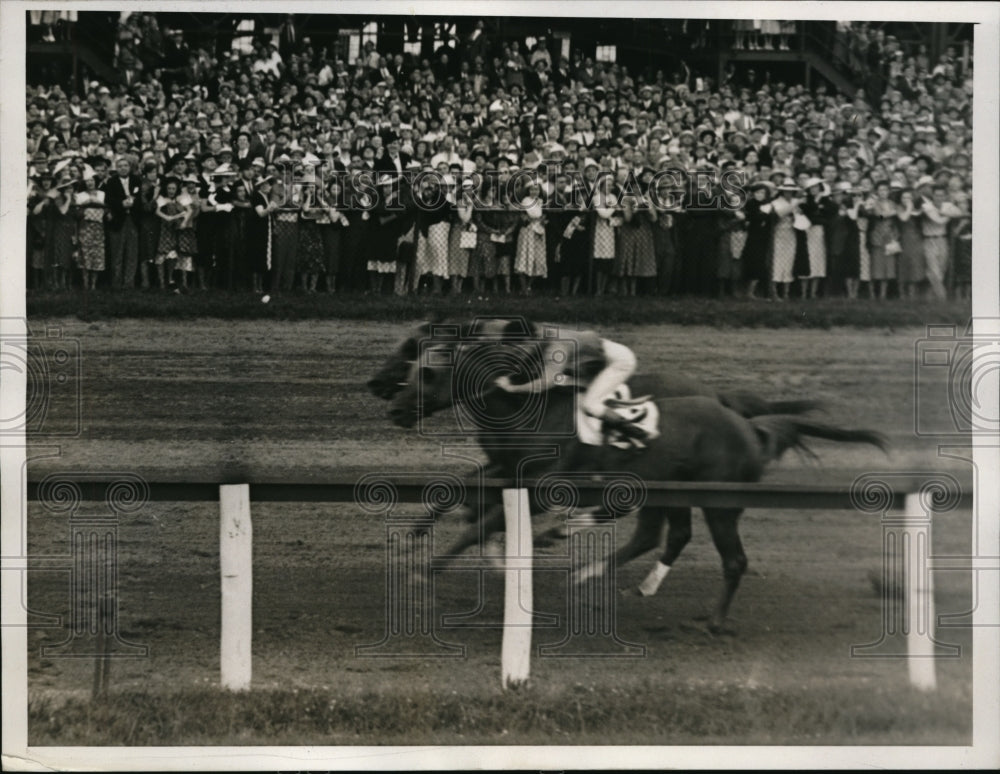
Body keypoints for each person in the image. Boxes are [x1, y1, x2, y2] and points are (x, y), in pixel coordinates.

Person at [493, 327, 648, 445]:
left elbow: (545, 383)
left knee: (590, 405)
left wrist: (512, 388)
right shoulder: (540, 333)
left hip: (618, 362)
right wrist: (510, 376)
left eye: (517, 347)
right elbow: (530, 358)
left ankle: (636, 433)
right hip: (595, 360)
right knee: (563, 381)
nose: (518, 352)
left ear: (527, 340)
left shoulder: (555, 348)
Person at [74, 168, 106, 290]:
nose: (90, 183)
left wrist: (94, 202)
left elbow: (104, 207)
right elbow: (78, 211)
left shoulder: (102, 194)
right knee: (85, 254)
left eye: (92, 180)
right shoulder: (80, 195)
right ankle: (85, 284)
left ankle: (93, 285)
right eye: (87, 181)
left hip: (98, 226)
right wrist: (87, 203)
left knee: (97, 254)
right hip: (85, 226)